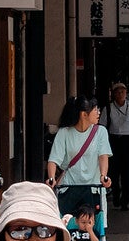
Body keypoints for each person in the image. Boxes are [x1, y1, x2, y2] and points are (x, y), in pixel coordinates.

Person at [47, 97, 112, 226]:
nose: (98, 112)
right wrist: (51, 178)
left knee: (95, 227)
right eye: (95, 109)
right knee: (67, 225)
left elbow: (103, 156)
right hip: (69, 187)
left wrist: (103, 176)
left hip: (93, 188)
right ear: (84, 114)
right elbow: (53, 159)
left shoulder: (100, 132)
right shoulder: (64, 132)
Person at [101, 81, 129, 211]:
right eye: (118, 92)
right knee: (113, 171)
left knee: (127, 172)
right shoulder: (107, 108)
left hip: (128, 141)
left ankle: (125, 201)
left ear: (126, 93)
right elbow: (102, 127)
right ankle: (116, 196)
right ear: (113, 94)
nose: (120, 94)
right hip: (113, 140)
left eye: (123, 92)